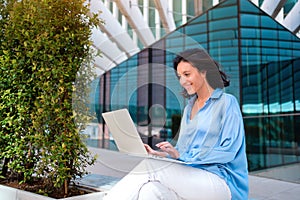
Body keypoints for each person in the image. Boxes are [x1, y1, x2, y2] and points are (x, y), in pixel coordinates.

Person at [104, 48, 248, 200]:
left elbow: (228, 151)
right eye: (180, 76)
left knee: (149, 167)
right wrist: (164, 155)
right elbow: (182, 151)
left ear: (204, 71)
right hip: (193, 178)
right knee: (150, 190)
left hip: (222, 182)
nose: (183, 81)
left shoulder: (226, 102)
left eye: (187, 74)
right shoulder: (189, 109)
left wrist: (182, 155)